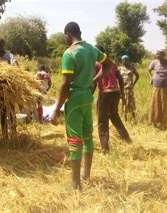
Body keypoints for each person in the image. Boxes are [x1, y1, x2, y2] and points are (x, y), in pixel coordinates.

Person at [50, 22, 110, 190]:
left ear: (68, 33)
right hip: (87, 96)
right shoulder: (91, 49)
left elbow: (64, 84)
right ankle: (86, 175)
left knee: (75, 139)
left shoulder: (69, 53)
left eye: (64, 36)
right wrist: (94, 80)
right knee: (87, 136)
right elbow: (109, 64)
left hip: (75, 99)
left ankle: (76, 183)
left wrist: (56, 110)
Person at [93, 59, 131, 154]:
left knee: (102, 122)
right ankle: (127, 139)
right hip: (115, 92)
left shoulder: (96, 64)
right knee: (114, 116)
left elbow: (94, 81)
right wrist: (121, 93)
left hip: (105, 93)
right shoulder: (112, 63)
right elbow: (120, 78)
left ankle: (105, 149)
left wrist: (90, 94)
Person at [0, 38, 18, 137]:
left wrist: (13, 67)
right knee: (2, 112)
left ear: (2, 45)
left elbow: (15, 65)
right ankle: (4, 133)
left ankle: (14, 133)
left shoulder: (9, 56)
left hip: (8, 89)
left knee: (11, 111)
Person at [148, 49, 167, 130]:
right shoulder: (154, 62)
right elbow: (148, 70)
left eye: (159, 54)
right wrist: (151, 78)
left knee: (164, 104)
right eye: (157, 54)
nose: (157, 56)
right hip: (156, 86)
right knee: (155, 102)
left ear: (163, 55)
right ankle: (154, 122)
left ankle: (163, 123)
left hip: (165, 86)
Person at [119, 55, 139, 121]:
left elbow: (137, 76)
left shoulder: (132, 68)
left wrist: (133, 84)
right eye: (123, 60)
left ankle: (133, 117)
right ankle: (125, 117)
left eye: (126, 60)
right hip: (122, 88)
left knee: (131, 102)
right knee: (123, 102)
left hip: (130, 88)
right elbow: (117, 78)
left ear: (128, 60)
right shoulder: (120, 68)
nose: (124, 61)